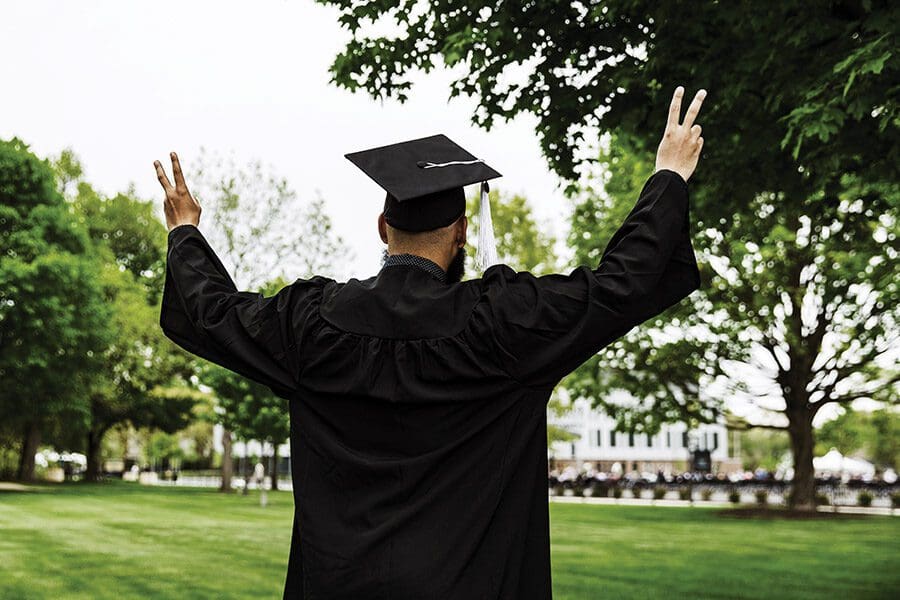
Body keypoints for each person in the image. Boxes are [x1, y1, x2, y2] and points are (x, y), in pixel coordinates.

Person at [154, 85, 706, 599]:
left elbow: (214, 314)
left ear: (381, 228)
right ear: (462, 232)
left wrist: (184, 233)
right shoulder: (504, 326)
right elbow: (619, 284)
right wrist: (668, 178)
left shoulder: (312, 326)